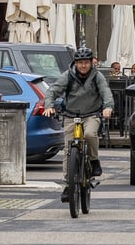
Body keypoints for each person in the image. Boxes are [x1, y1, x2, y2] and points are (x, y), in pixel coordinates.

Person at [43, 47, 115, 203]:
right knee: (69, 150)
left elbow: (105, 92)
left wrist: (108, 107)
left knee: (89, 134)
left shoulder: (97, 76)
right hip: (71, 115)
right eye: (80, 63)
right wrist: (48, 105)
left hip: (91, 114)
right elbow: (53, 91)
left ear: (91, 63)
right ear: (75, 63)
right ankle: (68, 185)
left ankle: (94, 161)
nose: (83, 66)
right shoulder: (67, 75)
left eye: (86, 63)